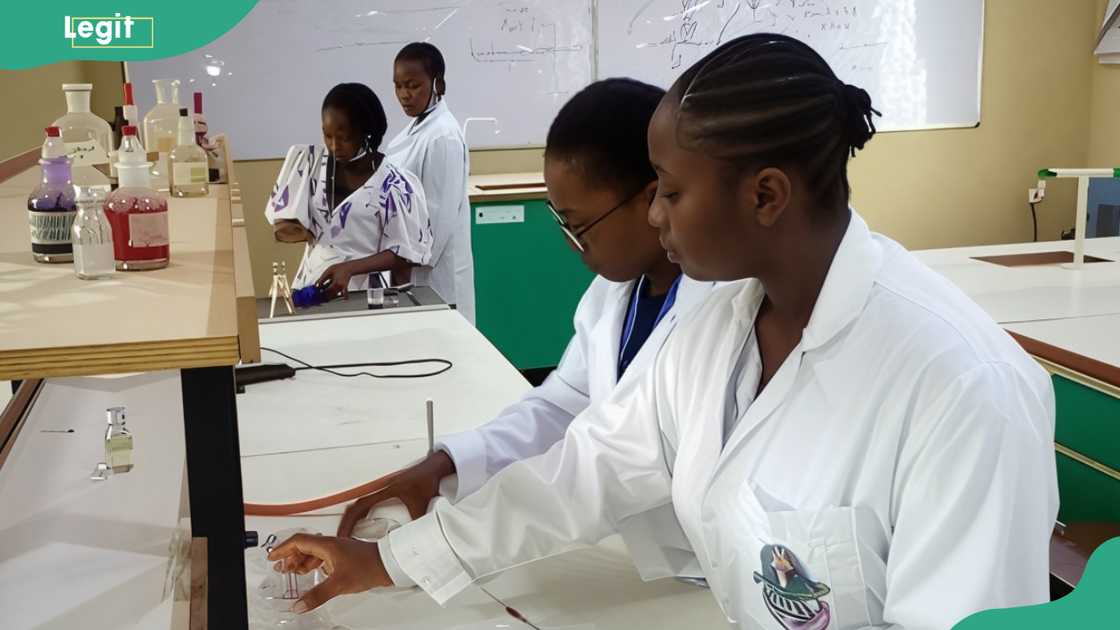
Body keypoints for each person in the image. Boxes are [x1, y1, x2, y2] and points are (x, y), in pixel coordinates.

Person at [269, 35, 1058, 629]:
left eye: (671, 192)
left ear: (767, 195)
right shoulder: (720, 319)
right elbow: (591, 466)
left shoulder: (962, 391)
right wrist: (392, 560)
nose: (652, 216)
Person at [335, 77, 718, 579]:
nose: (571, 245)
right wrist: (446, 464)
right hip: (654, 559)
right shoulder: (612, 296)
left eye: (578, 226)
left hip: (717, 571)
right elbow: (559, 407)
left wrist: (404, 559)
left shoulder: (717, 310)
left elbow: (602, 466)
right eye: (560, 224)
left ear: (654, 199)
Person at [265, 83, 433, 296]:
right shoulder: (310, 164)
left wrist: (350, 268)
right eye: (327, 135)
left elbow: (406, 253)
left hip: (364, 294)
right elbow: (288, 228)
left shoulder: (394, 184)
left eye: (344, 138)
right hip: (310, 288)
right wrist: (292, 226)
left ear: (366, 133)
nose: (334, 146)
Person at [386, 42, 476, 322]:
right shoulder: (416, 130)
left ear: (438, 84)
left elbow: (439, 221)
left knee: (448, 356)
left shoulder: (443, 137)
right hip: (410, 269)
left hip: (434, 278)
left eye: (413, 85)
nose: (404, 95)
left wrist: (404, 267)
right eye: (398, 85)